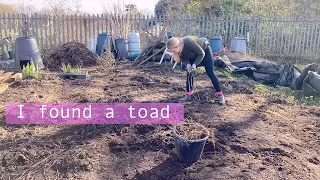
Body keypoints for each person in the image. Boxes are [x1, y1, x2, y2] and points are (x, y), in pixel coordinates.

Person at [166, 36, 226, 105]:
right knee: (189, 73)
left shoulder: (188, 42)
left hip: (204, 51)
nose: (173, 53)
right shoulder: (179, 49)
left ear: (178, 46)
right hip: (192, 56)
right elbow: (183, 58)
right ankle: (188, 95)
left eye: (173, 51)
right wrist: (188, 64)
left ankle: (220, 95)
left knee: (210, 73)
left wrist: (195, 64)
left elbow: (201, 53)